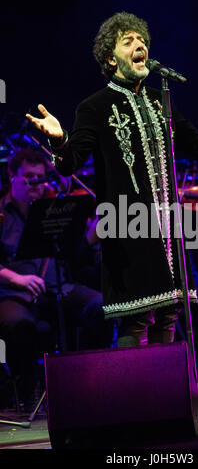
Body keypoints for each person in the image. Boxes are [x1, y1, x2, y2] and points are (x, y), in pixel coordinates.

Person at [26, 12, 198, 348]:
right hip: (126, 226)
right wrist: (59, 139)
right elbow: (70, 165)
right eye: (129, 41)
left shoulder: (160, 99)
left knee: (168, 315)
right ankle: (136, 398)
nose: (140, 45)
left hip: (168, 228)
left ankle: (168, 397)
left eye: (142, 40)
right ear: (111, 58)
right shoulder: (93, 107)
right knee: (137, 319)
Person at [0, 148, 113, 411]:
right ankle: (26, 394)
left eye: (39, 177)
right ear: (11, 175)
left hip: (57, 287)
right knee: (19, 325)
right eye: (28, 177)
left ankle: (91, 383)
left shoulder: (56, 207)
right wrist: (16, 278)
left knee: (101, 307)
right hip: (13, 293)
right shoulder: (1, 215)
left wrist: (94, 232)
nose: (35, 184)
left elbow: (76, 253)